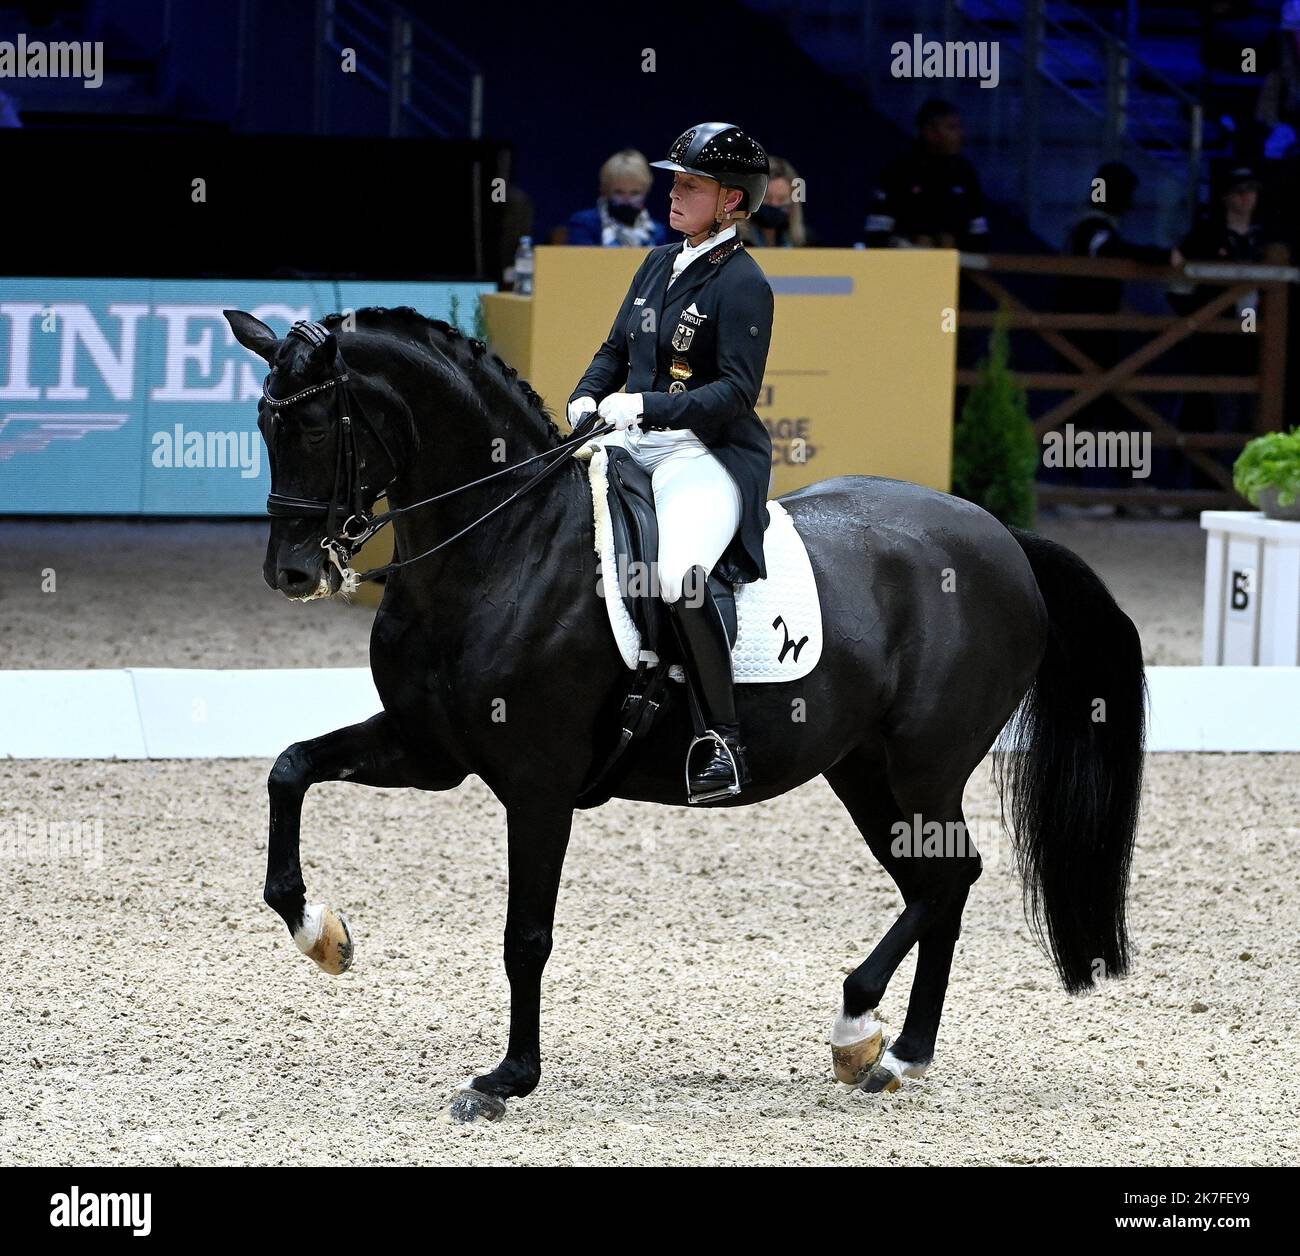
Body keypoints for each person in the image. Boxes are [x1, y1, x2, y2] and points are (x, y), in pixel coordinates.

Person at [566, 121, 775, 804]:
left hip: (704, 453)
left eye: (691, 185)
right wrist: (588, 394)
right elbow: (614, 345)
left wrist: (646, 406)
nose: (674, 194)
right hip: (633, 437)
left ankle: (724, 740)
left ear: (733, 202)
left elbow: (735, 394)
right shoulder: (658, 261)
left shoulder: (744, 284)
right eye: (675, 181)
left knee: (681, 574)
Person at [865, 98, 989, 249]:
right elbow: (878, 231)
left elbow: (977, 229)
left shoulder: (964, 172)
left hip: (958, 264)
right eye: (952, 128)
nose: (961, 135)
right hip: (907, 263)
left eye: (960, 128)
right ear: (929, 132)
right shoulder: (901, 170)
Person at [564, 149, 669, 248]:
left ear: (645, 191)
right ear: (605, 191)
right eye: (619, 192)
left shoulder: (656, 231)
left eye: (634, 193)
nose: (627, 200)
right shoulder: (584, 224)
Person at [737, 155, 812, 247]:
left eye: (782, 199)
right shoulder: (733, 242)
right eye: (767, 198)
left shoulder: (807, 243)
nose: (774, 204)